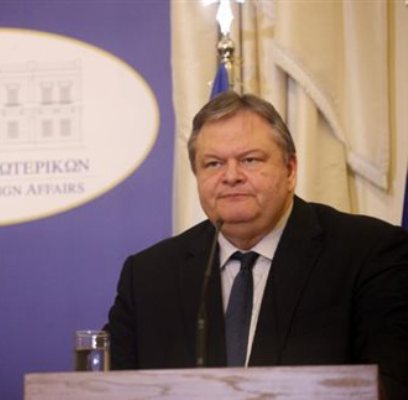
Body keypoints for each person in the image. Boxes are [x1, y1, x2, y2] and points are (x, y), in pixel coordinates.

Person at [104, 91, 408, 399]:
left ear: (290, 170)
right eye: (213, 164)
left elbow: (393, 385)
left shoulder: (369, 253)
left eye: (249, 160)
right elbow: (103, 388)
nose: (231, 176)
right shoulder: (148, 276)